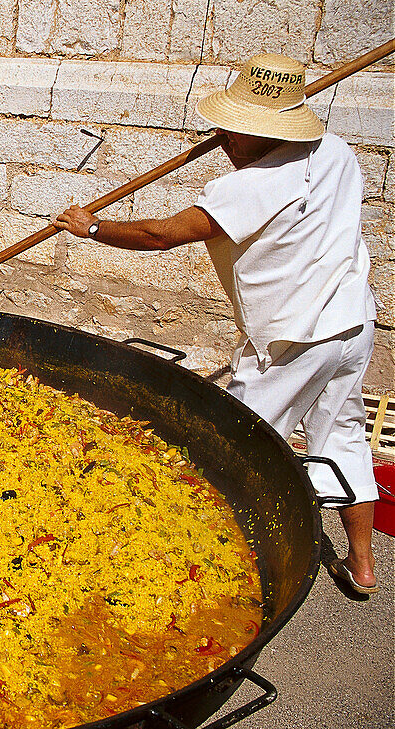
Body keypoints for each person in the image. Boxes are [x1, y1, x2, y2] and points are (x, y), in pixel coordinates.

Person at [55, 53, 380, 595]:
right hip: (351, 324)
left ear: (272, 128)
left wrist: (93, 228)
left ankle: (203, 569)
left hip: (291, 338)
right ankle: (363, 565)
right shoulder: (337, 152)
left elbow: (163, 235)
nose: (226, 137)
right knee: (343, 434)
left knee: (228, 447)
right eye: (226, 125)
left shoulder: (248, 187)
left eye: (241, 129)